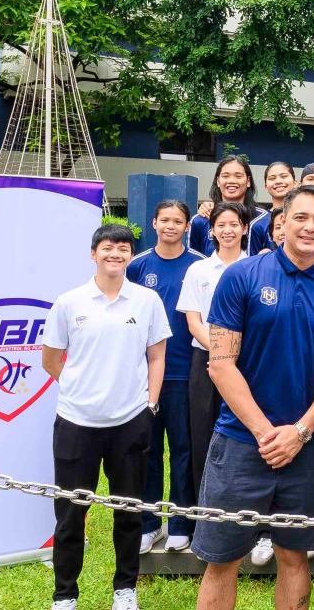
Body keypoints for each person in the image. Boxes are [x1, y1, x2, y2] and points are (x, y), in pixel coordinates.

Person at [193, 186, 314, 610]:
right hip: (240, 442)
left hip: (307, 448)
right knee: (222, 560)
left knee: (294, 555)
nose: (310, 227)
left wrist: (301, 432)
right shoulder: (243, 276)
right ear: (281, 221)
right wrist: (267, 433)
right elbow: (220, 364)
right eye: (301, 217)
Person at [42, 224, 170, 610]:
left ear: (131, 255)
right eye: (108, 248)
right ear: (94, 253)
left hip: (129, 421)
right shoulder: (70, 302)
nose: (115, 254)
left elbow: (157, 355)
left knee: (129, 512)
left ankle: (124, 589)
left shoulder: (146, 300)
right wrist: (80, 386)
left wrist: (150, 403)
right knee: (69, 515)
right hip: (76, 422)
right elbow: (51, 359)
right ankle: (65, 594)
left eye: (123, 249)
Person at [126, 201, 205, 556]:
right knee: (147, 450)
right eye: (165, 220)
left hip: (185, 373)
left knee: (184, 451)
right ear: (154, 222)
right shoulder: (138, 265)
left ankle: (180, 523)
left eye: (178, 221)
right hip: (145, 375)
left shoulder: (199, 266)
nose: (171, 226)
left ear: (188, 226)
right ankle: (148, 523)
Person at [177, 202, 248, 516]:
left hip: (249, 363)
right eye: (221, 225)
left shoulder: (256, 267)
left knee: (248, 433)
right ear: (212, 231)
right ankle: (204, 515)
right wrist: (222, 355)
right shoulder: (198, 270)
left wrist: (234, 357)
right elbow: (193, 322)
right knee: (202, 436)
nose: (228, 230)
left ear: (244, 229)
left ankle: (250, 517)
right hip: (204, 362)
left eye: (234, 224)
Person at [191, 156, 267, 257]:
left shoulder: (264, 219)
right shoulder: (201, 219)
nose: (231, 181)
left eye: (238, 176)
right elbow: (193, 258)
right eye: (225, 176)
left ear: (248, 181)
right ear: (218, 181)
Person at [251, 162, 296, 253]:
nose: (278, 181)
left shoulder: (306, 217)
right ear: (266, 187)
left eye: (283, 176)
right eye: (272, 178)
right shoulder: (258, 224)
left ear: (295, 183)